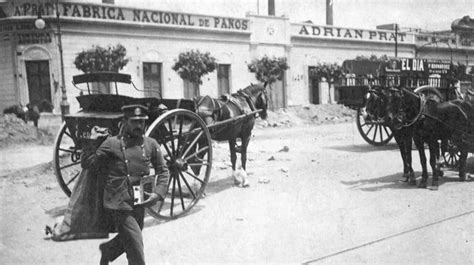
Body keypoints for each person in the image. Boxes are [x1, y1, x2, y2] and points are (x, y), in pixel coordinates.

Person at [81, 104, 170, 265]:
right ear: (125, 122)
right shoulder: (112, 144)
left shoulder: (151, 144)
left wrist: (157, 193)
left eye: (142, 122)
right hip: (118, 201)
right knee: (135, 245)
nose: (139, 126)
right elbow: (89, 163)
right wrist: (91, 141)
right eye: (134, 122)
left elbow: (163, 170)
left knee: (129, 237)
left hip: (140, 201)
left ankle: (108, 250)